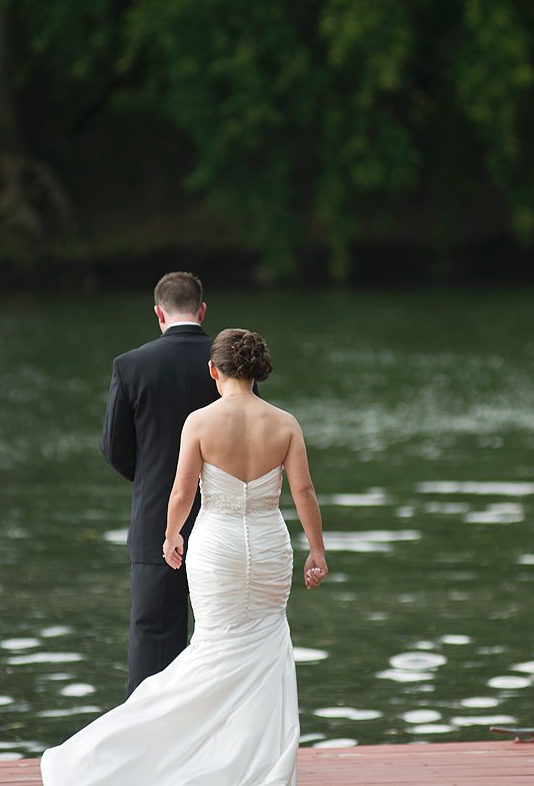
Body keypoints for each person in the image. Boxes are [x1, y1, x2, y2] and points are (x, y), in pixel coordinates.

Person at [42, 328, 328, 786]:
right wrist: (316, 548)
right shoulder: (286, 423)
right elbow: (304, 492)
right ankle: (257, 768)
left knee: (212, 651)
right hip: (270, 546)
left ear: (214, 370)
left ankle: (123, 751)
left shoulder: (199, 422)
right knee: (266, 649)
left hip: (216, 547)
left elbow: (180, 491)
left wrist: (171, 534)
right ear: (254, 372)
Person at [100, 271, 221, 697]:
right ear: (202, 310)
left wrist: (157, 482)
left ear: (158, 313)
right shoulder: (228, 362)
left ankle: (148, 747)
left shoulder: (131, 365)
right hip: (222, 516)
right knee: (222, 637)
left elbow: (114, 448)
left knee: (153, 639)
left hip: (156, 518)